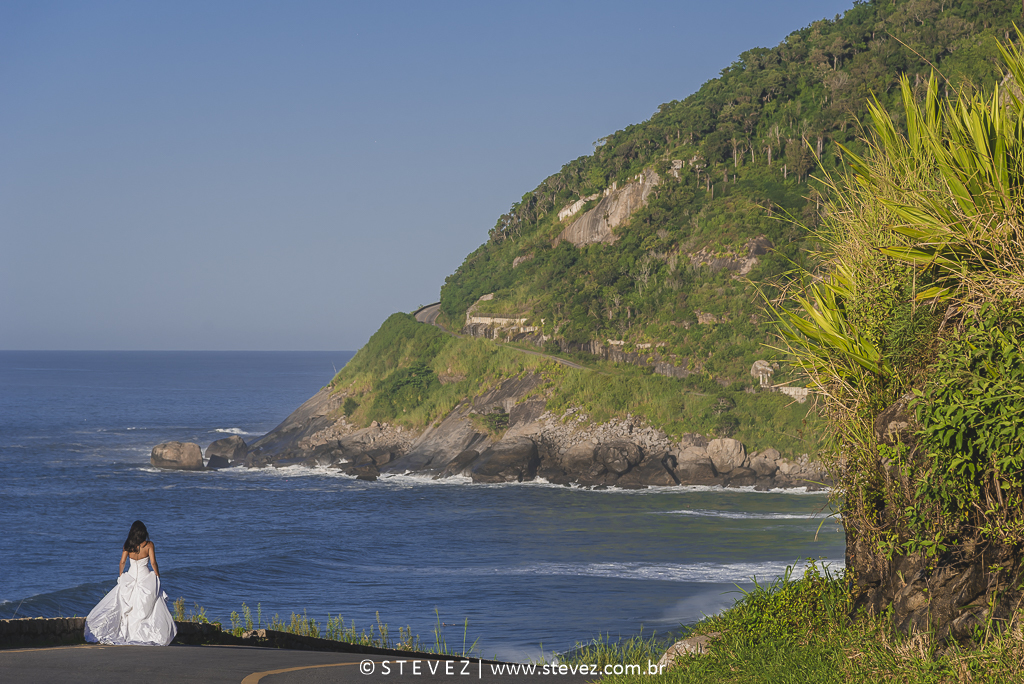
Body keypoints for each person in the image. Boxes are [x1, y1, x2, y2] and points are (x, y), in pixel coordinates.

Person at [84, 520, 177, 646]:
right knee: (148, 606)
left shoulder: (128, 545)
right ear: (143, 532)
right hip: (145, 576)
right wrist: (157, 575)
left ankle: (127, 633)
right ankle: (146, 633)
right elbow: (153, 562)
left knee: (127, 607)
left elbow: (122, 562)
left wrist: (121, 576)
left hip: (131, 576)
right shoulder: (149, 545)